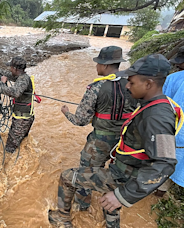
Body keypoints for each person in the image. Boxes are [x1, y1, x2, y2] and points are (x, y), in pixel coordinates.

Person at [48, 54, 180, 228]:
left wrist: (124, 195)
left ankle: (61, 218)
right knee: (110, 201)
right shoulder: (152, 105)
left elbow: (165, 163)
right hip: (124, 168)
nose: (127, 85)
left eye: (132, 83)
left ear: (148, 84)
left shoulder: (157, 117)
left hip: (124, 175)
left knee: (67, 177)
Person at [60, 46, 138, 211]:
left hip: (100, 141)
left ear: (105, 65)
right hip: (126, 142)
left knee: (87, 172)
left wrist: (66, 113)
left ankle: (82, 205)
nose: (96, 67)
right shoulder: (133, 84)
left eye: (97, 63)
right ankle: (110, 206)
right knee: (115, 175)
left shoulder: (96, 87)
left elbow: (80, 120)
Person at [0, 57, 36, 154]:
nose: (10, 69)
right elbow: (5, 74)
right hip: (22, 117)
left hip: (22, 120)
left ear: (15, 68)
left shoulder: (23, 80)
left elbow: (15, 93)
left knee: (9, 148)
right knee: (21, 143)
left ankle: (11, 164)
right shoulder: (20, 76)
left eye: (10, 67)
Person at [160, 46, 184, 189]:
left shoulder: (173, 79)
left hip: (172, 132)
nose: (177, 65)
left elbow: (162, 105)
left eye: (180, 62)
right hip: (178, 135)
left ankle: (158, 189)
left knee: (161, 163)